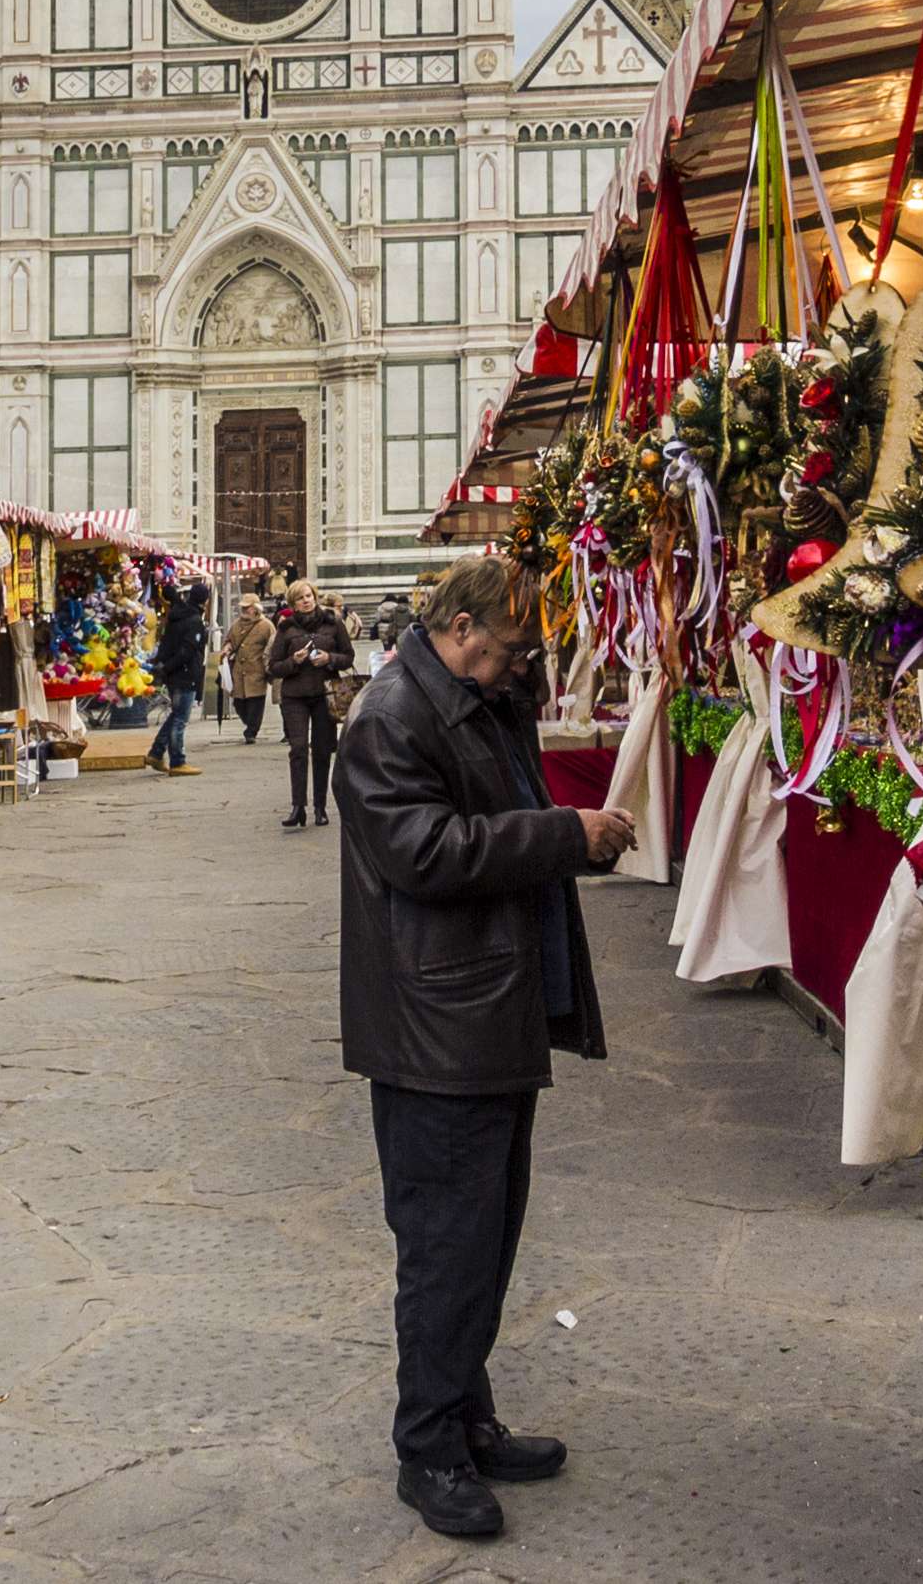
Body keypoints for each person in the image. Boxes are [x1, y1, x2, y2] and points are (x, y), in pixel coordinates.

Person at [336, 555, 631, 1543]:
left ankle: (465, 1418)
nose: (515, 670)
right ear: (457, 627)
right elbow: (423, 853)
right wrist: (564, 836)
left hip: (482, 1006)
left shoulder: (474, 694)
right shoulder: (389, 717)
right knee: (444, 1245)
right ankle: (425, 1448)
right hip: (435, 1026)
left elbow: (492, 802)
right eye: (504, 649)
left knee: (486, 1237)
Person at [272, 579, 354, 830]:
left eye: (308, 595)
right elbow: (273, 667)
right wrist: (294, 662)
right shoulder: (286, 628)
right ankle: (298, 806)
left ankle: (320, 806)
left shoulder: (333, 624)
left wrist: (329, 659)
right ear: (293, 603)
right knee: (297, 749)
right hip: (294, 696)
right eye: (300, 598)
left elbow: (348, 657)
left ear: (315, 597)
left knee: (321, 750)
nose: (306, 600)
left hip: (323, 694)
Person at [147, 578, 210, 774]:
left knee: (176, 715)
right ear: (205, 601)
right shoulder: (194, 621)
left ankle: (156, 753)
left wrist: (163, 667)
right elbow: (187, 651)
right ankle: (177, 761)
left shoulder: (177, 617)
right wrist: (168, 667)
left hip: (174, 674)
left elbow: (167, 644)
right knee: (180, 719)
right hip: (185, 674)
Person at [227, 591, 276, 743]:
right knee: (239, 702)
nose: (244, 610)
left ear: (255, 608)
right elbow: (229, 640)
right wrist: (227, 648)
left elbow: (273, 646)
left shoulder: (266, 626)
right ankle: (250, 725)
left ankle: (251, 731)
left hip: (256, 670)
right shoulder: (236, 625)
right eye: (243, 607)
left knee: (256, 703)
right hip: (239, 671)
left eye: (247, 607)